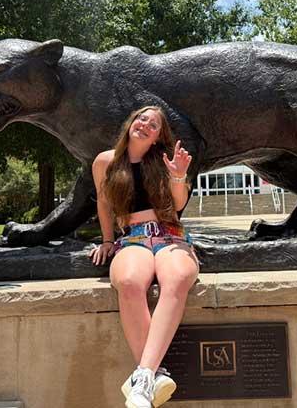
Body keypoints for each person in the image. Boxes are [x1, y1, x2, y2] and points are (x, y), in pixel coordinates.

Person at [89, 106, 196, 408]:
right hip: (132, 236)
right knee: (129, 280)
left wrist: (178, 176)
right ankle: (153, 376)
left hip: (169, 233)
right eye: (142, 119)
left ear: (158, 137)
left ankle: (142, 380)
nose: (146, 125)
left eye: (154, 125)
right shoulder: (105, 161)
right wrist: (108, 240)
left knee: (177, 278)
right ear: (132, 123)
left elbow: (177, 205)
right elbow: (104, 203)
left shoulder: (163, 162)